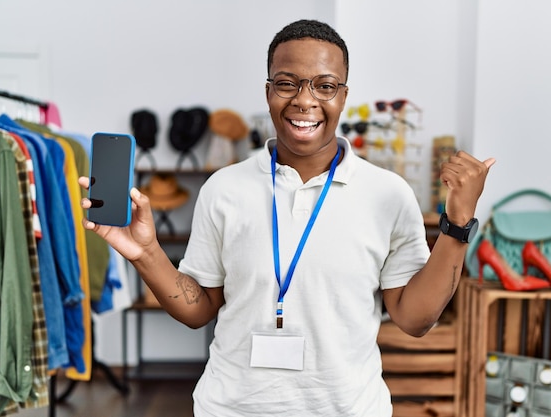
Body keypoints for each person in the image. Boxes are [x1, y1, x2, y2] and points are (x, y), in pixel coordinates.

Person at [80, 19, 495, 417]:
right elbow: (199, 308)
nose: (304, 99)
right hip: (231, 409)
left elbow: (414, 319)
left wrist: (456, 227)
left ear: (343, 95)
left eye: (325, 86)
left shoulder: (388, 194)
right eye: (287, 83)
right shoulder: (224, 189)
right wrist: (146, 253)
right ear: (268, 92)